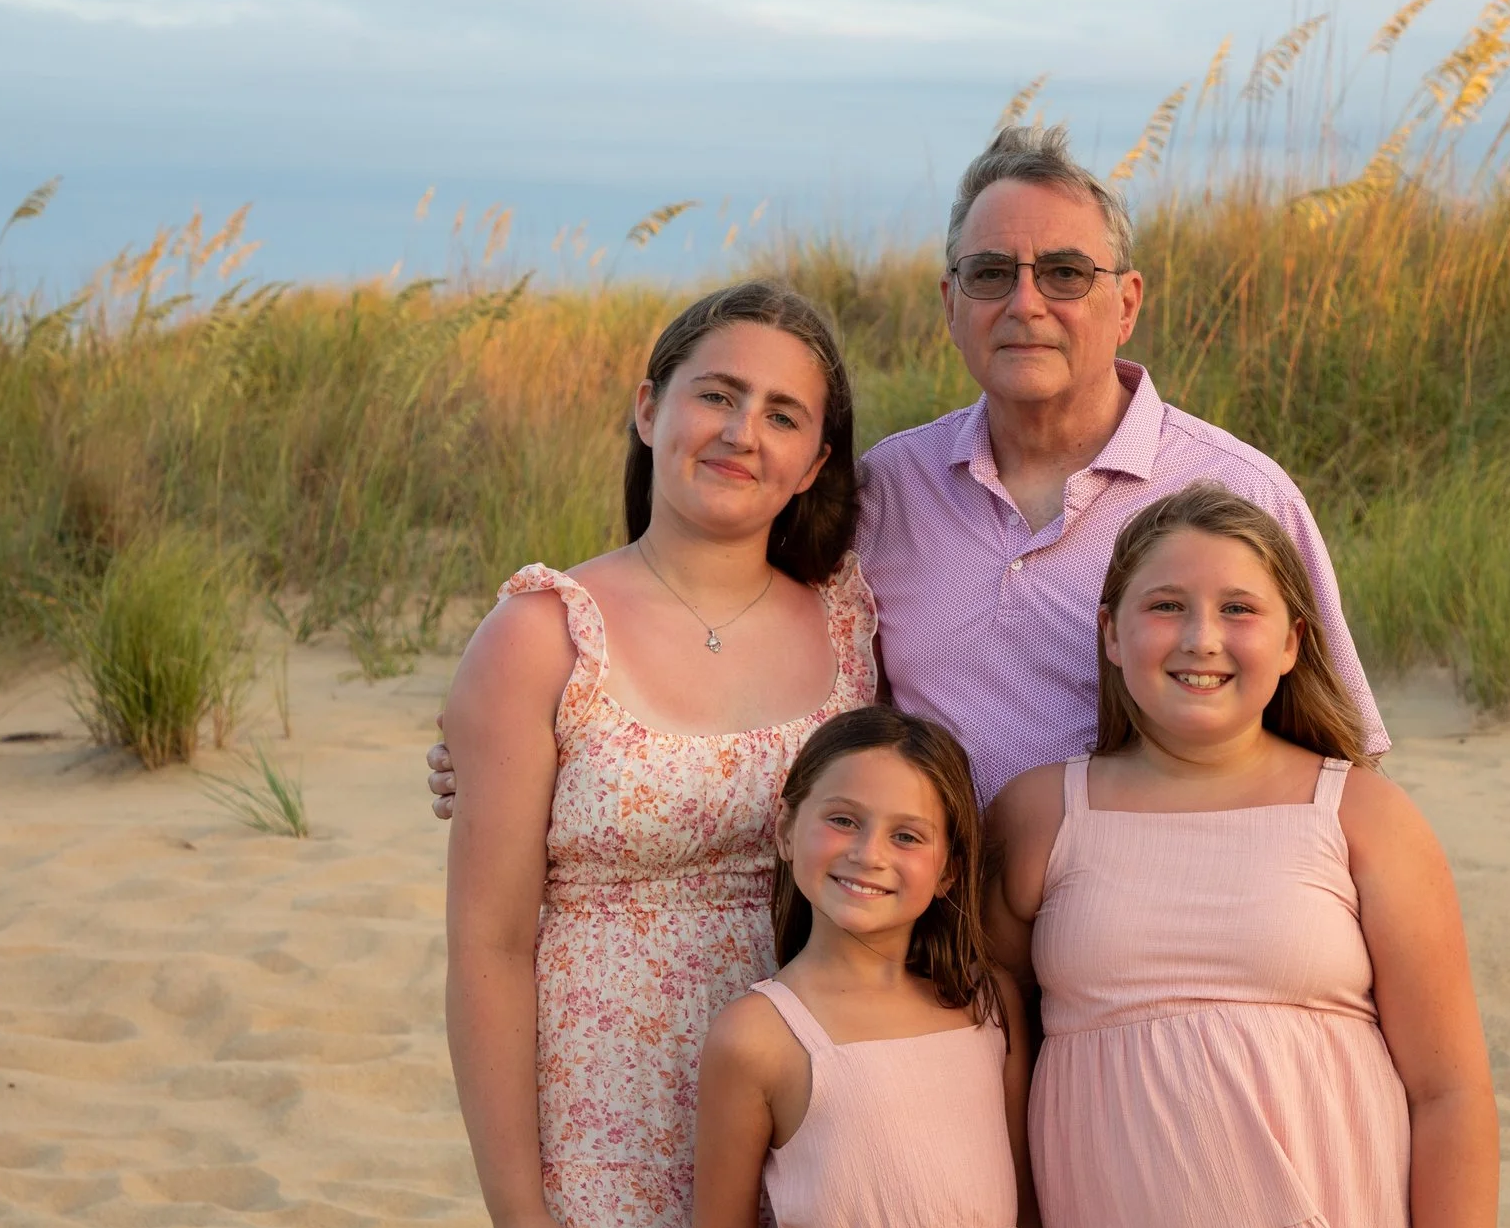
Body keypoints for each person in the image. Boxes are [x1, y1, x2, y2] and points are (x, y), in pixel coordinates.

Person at [427, 122, 1390, 817]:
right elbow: (735, 616)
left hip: (1140, 945)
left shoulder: (1237, 494)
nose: (1026, 303)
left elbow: (1345, 767)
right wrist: (548, 734)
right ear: (948, 302)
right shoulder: (892, 489)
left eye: (1065, 273)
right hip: (933, 958)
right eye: (989, 274)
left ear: (1126, 301)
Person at [441, 280, 878, 1228]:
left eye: (784, 414)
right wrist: (516, 1214)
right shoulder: (544, 631)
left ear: (817, 461)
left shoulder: (854, 622)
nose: (742, 433)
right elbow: (489, 942)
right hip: (617, 1108)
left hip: (822, 1101)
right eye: (716, 395)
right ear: (649, 408)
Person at [985, 483, 1497, 1228]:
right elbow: (987, 1062)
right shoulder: (1038, 816)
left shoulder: (1359, 816)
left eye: (1238, 609)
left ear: (1295, 640)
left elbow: (1450, 1090)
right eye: (1165, 607)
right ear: (1111, 633)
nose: (1200, 639)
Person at [682, 707, 1066, 1228]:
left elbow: (1027, 1216)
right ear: (784, 830)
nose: (869, 854)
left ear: (949, 871)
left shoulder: (988, 1006)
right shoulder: (760, 1035)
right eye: (843, 820)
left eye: (908, 835)